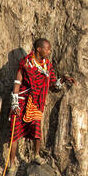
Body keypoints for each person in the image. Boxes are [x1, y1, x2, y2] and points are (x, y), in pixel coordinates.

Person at [10, 38, 74, 166]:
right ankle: (11, 164)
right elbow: (17, 82)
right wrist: (14, 103)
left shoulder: (47, 66)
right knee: (15, 133)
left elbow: (52, 85)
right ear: (39, 49)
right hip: (22, 101)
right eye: (47, 49)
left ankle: (36, 155)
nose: (49, 51)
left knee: (37, 131)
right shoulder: (27, 64)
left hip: (36, 103)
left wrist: (62, 80)